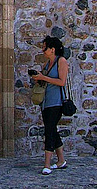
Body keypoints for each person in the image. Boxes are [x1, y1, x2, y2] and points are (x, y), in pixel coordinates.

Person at [30, 36, 68, 174]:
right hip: (46, 102)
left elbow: (61, 82)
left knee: (49, 131)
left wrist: (43, 77)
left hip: (56, 102)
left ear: (52, 49)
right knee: (51, 129)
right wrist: (38, 79)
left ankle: (47, 164)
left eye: (45, 47)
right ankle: (61, 160)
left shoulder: (61, 61)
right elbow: (46, 81)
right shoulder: (47, 64)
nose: (43, 50)